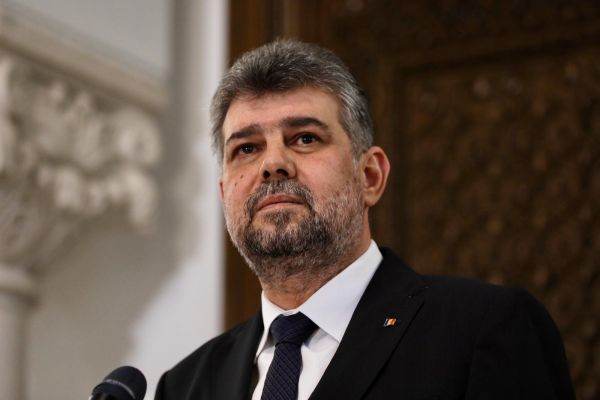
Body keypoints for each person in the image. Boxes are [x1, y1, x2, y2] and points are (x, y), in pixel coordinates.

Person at [155, 40, 574, 400]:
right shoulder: (185, 386)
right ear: (225, 194)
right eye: (246, 148)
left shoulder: (482, 329)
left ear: (369, 176)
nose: (273, 163)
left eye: (305, 138)